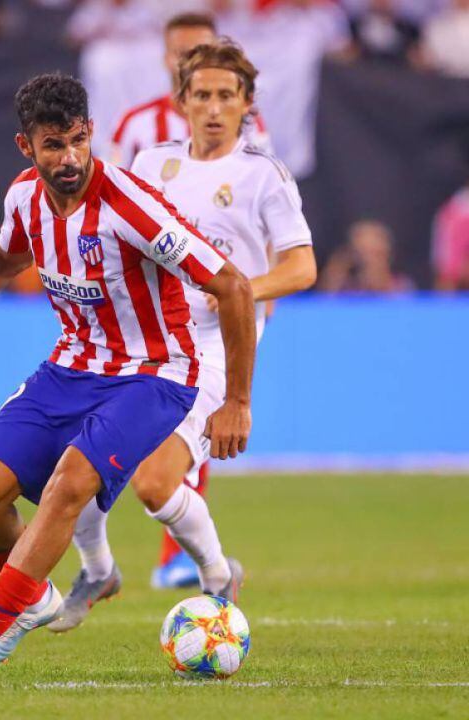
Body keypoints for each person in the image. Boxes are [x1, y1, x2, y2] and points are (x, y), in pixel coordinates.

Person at [0, 72, 256, 682]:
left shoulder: (129, 205)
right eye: (53, 145)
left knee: (69, 484)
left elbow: (232, 285)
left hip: (153, 373)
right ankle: (32, 599)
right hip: (70, 365)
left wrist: (236, 400)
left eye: (78, 140)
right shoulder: (24, 198)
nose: (69, 158)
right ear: (25, 147)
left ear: (91, 135)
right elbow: (5, 257)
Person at [50, 39, 317, 633]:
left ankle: (218, 575)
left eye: (227, 96)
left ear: (247, 103)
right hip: (146, 334)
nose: (215, 108)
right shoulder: (152, 166)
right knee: (74, 457)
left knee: (153, 481)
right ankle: (98, 570)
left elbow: (303, 267)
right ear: (182, 101)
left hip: (219, 343)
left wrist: (232, 286)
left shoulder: (262, 176)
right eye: (203, 95)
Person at [101, 11, 269, 593]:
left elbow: (265, 234)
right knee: (105, 447)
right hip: (153, 320)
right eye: (181, 56)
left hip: (214, 326)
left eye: (199, 51)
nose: (190, 62)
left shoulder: (254, 151)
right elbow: (118, 212)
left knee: (174, 451)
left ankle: (185, 559)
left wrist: (247, 296)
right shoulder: (139, 136)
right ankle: (102, 567)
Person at [108, 13, 270, 178]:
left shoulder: (247, 121)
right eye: (182, 53)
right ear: (166, 59)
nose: (193, 64)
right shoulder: (133, 124)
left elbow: (267, 181)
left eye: (203, 53)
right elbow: (108, 191)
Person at [318, 219, 413, 293]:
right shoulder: (348, 287)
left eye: (374, 253)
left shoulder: (400, 284)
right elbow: (324, 301)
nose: (369, 259)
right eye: (363, 252)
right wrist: (339, 265)